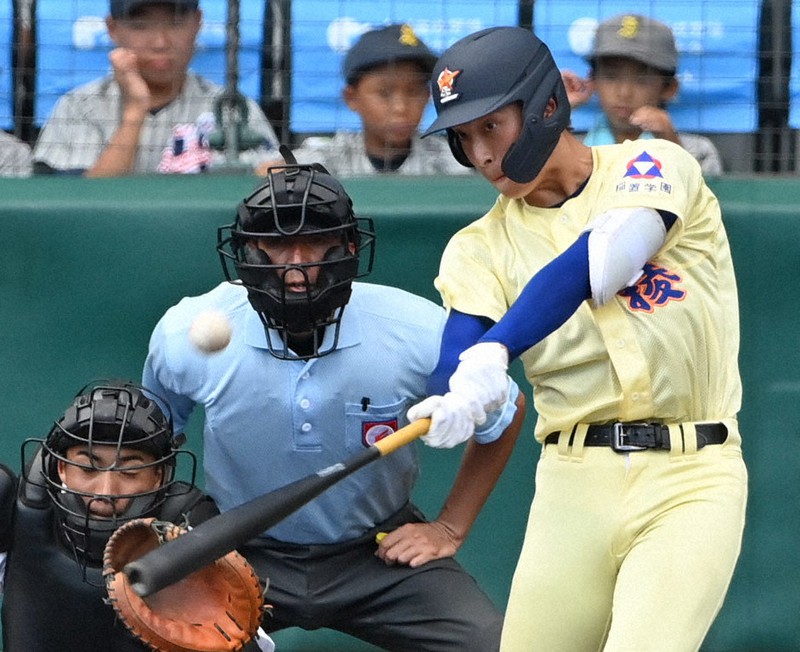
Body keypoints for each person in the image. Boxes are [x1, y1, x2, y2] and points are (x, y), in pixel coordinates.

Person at [420, 26, 747, 652]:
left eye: (490, 126)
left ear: (545, 105)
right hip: (573, 481)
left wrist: (497, 351)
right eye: (464, 138)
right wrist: (453, 393)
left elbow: (604, 256)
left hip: (691, 473)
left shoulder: (655, 163)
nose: (481, 154)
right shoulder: (477, 246)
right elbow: (457, 355)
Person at [143, 160, 525, 651]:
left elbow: (505, 414)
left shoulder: (416, 330)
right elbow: (152, 440)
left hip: (377, 551)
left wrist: (449, 527)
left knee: (493, 644)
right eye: (277, 243)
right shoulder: (186, 332)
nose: (296, 264)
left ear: (347, 247)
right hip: (238, 552)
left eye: (315, 241)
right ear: (249, 250)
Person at [0, 381, 275, 651]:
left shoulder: (189, 529)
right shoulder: (18, 515)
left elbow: (236, 636)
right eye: (87, 469)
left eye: (129, 472)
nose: (105, 492)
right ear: (62, 468)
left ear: (158, 476)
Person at [32, 0, 280, 176]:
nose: (160, 42)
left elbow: (267, 193)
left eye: (174, 23)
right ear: (112, 29)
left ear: (197, 23)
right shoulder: (80, 107)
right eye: (141, 26)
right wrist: (135, 109)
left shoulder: (231, 107)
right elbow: (79, 205)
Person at [291, 23, 471, 176]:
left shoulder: (450, 163)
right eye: (384, 93)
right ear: (351, 98)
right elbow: (275, 168)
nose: (400, 107)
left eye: (414, 91)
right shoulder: (327, 159)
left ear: (428, 96)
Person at [561, 14, 723, 175]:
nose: (624, 93)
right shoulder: (571, 148)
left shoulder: (699, 151)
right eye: (611, 77)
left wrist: (669, 141)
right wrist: (559, 110)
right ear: (592, 80)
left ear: (669, 88)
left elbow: (704, 197)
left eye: (641, 80)